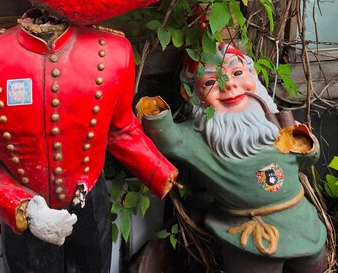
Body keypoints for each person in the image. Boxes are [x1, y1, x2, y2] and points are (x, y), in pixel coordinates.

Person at [0, 8, 178, 273]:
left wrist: (160, 172)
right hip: (26, 215)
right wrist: (24, 208)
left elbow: (120, 129)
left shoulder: (114, 52)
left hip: (90, 205)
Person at [138, 42, 328, 273]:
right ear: (191, 94)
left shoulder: (275, 124)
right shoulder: (199, 141)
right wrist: (156, 115)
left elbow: (307, 160)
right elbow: (171, 140)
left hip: (301, 221)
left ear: (253, 75)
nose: (228, 84)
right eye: (210, 82)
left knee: (315, 266)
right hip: (251, 234)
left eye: (237, 72)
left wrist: (306, 143)